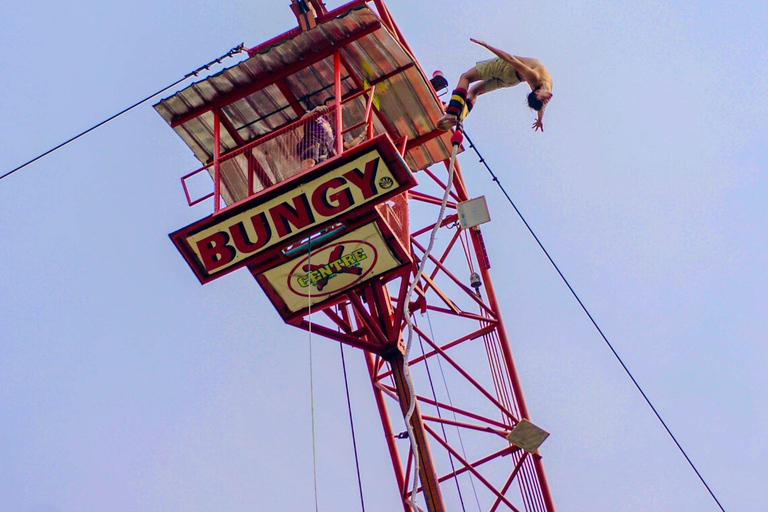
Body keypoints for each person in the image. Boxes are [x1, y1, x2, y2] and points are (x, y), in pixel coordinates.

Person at [436, 39, 553, 132]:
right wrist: (539, 119)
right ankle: (460, 115)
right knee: (474, 91)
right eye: (545, 100)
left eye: (543, 100)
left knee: (465, 77)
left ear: (536, 92)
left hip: (505, 68)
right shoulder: (545, 93)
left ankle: (452, 113)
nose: (547, 99)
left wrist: (487, 46)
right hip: (511, 81)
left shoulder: (534, 77)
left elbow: (510, 59)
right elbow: (542, 108)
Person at [296, 97, 366, 169]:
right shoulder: (317, 114)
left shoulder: (333, 131)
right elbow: (302, 121)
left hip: (324, 153)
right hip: (312, 141)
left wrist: (363, 134)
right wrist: (315, 110)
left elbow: (349, 146)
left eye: (341, 106)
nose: (340, 107)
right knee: (310, 163)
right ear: (328, 103)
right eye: (338, 103)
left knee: (319, 171)